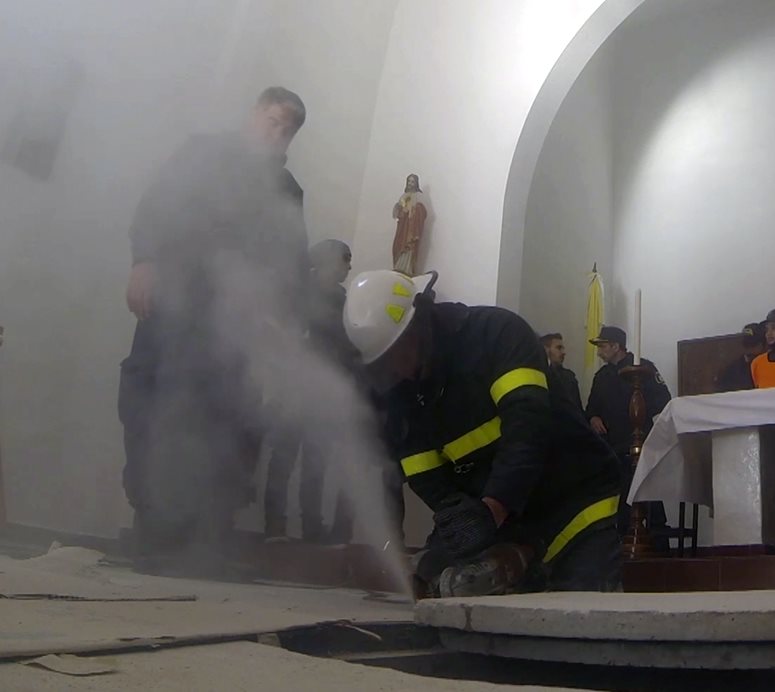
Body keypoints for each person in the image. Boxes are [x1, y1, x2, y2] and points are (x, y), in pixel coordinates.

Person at [118, 87, 310, 573]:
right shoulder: (202, 153)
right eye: (273, 120)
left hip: (234, 329)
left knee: (225, 419)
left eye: (288, 129)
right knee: (150, 401)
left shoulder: (285, 190)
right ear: (253, 114)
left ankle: (209, 536)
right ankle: (153, 527)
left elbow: (290, 261)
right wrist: (144, 260)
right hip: (174, 306)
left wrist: (279, 319)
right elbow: (157, 205)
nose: (278, 133)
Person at [344, 271, 623, 597]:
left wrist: (492, 509)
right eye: (384, 363)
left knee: (581, 621)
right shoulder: (404, 391)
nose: (397, 371)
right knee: (444, 582)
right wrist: (459, 520)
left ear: (421, 323)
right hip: (505, 519)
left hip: (574, 507)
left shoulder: (497, 335)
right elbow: (421, 469)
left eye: (398, 353)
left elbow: (528, 426)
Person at [262, 240, 357, 543]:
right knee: (284, 458)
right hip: (294, 388)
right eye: (345, 259)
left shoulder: (345, 301)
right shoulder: (297, 294)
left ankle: (312, 530)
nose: (349, 266)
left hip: (326, 393)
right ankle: (274, 527)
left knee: (317, 463)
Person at [585, 326, 671, 539]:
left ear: (616, 346)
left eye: (602, 346)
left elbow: (663, 401)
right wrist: (593, 418)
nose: (598, 352)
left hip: (641, 442)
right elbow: (591, 408)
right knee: (618, 497)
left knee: (647, 491)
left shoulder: (642, 368)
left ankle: (657, 539)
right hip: (611, 446)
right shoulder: (601, 376)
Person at [715, 322, 767, 392]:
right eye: (746, 344)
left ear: (762, 345)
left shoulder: (769, 365)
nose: (749, 349)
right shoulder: (731, 372)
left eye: (753, 344)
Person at [541, 333, 583, 412]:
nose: (563, 352)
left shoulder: (569, 378)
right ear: (546, 350)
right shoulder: (538, 376)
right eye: (559, 348)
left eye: (563, 348)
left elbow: (577, 410)